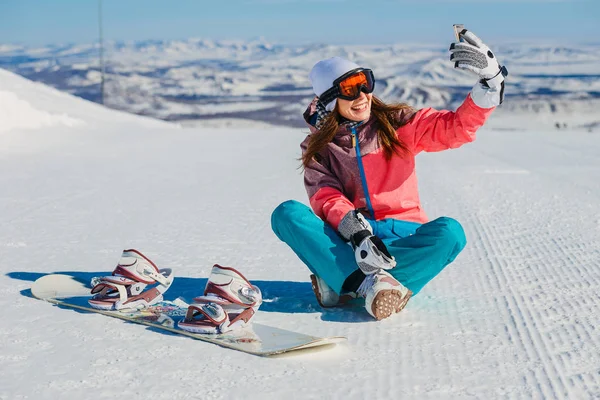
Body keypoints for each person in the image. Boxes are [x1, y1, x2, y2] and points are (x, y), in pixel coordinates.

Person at [271, 29, 508, 321]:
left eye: (365, 84)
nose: (362, 96)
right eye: (349, 90)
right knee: (287, 214)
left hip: (401, 239)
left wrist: (490, 84)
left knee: (450, 233)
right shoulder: (319, 146)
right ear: (331, 100)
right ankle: (372, 285)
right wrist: (356, 233)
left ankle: (344, 281)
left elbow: (456, 127)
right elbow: (325, 195)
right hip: (353, 241)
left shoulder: (397, 124)